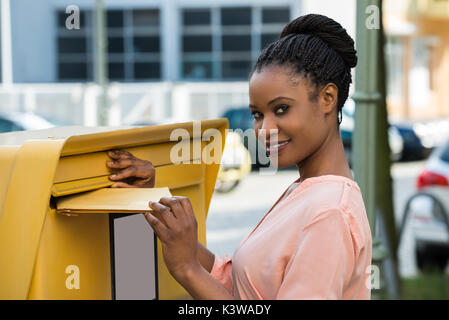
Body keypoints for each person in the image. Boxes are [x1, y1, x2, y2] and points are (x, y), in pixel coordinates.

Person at [106, 14, 372, 300]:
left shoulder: (329, 213)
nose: (264, 130)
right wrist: (155, 204)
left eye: (281, 109)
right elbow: (240, 287)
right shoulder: (306, 192)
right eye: (258, 115)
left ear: (327, 99)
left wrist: (187, 269)